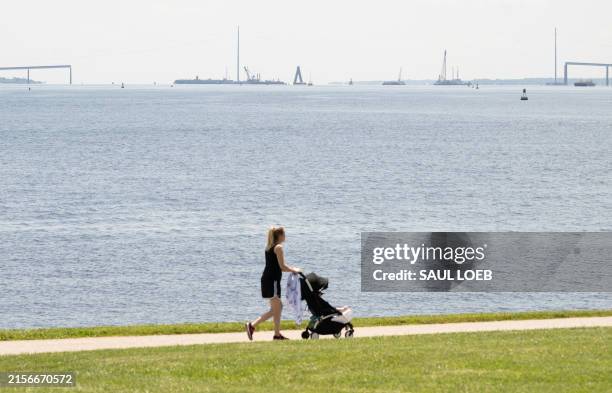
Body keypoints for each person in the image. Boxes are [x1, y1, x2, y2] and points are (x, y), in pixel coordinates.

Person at [245, 226, 301, 340]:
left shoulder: (269, 247)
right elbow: (282, 267)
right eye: (284, 234)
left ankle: (276, 334)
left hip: (269, 280)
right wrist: (295, 270)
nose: (285, 236)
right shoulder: (278, 247)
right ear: (279, 236)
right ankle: (252, 326)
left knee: (277, 308)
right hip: (272, 281)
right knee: (278, 307)